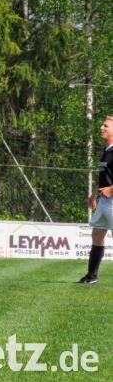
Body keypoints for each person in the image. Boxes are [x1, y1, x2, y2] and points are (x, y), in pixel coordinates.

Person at [78, 116, 113, 284]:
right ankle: (91, 276)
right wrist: (94, 194)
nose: (101, 127)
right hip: (104, 202)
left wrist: (111, 189)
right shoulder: (106, 150)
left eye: (105, 126)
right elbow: (103, 176)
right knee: (97, 233)